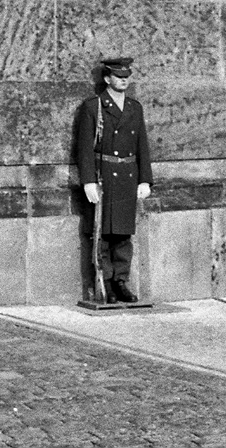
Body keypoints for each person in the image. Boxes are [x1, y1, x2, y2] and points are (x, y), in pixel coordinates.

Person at [77, 56, 153, 303]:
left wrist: (145, 180)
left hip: (127, 178)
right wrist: (88, 181)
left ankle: (121, 280)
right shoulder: (94, 107)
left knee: (123, 234)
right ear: (107, 79)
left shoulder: (134, 107)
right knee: (103, 234)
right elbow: (85, 148)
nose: (123, 81)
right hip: (104, 177)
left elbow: (142, 145)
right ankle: (106, 282)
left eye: (126, 77)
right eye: (118, 77)